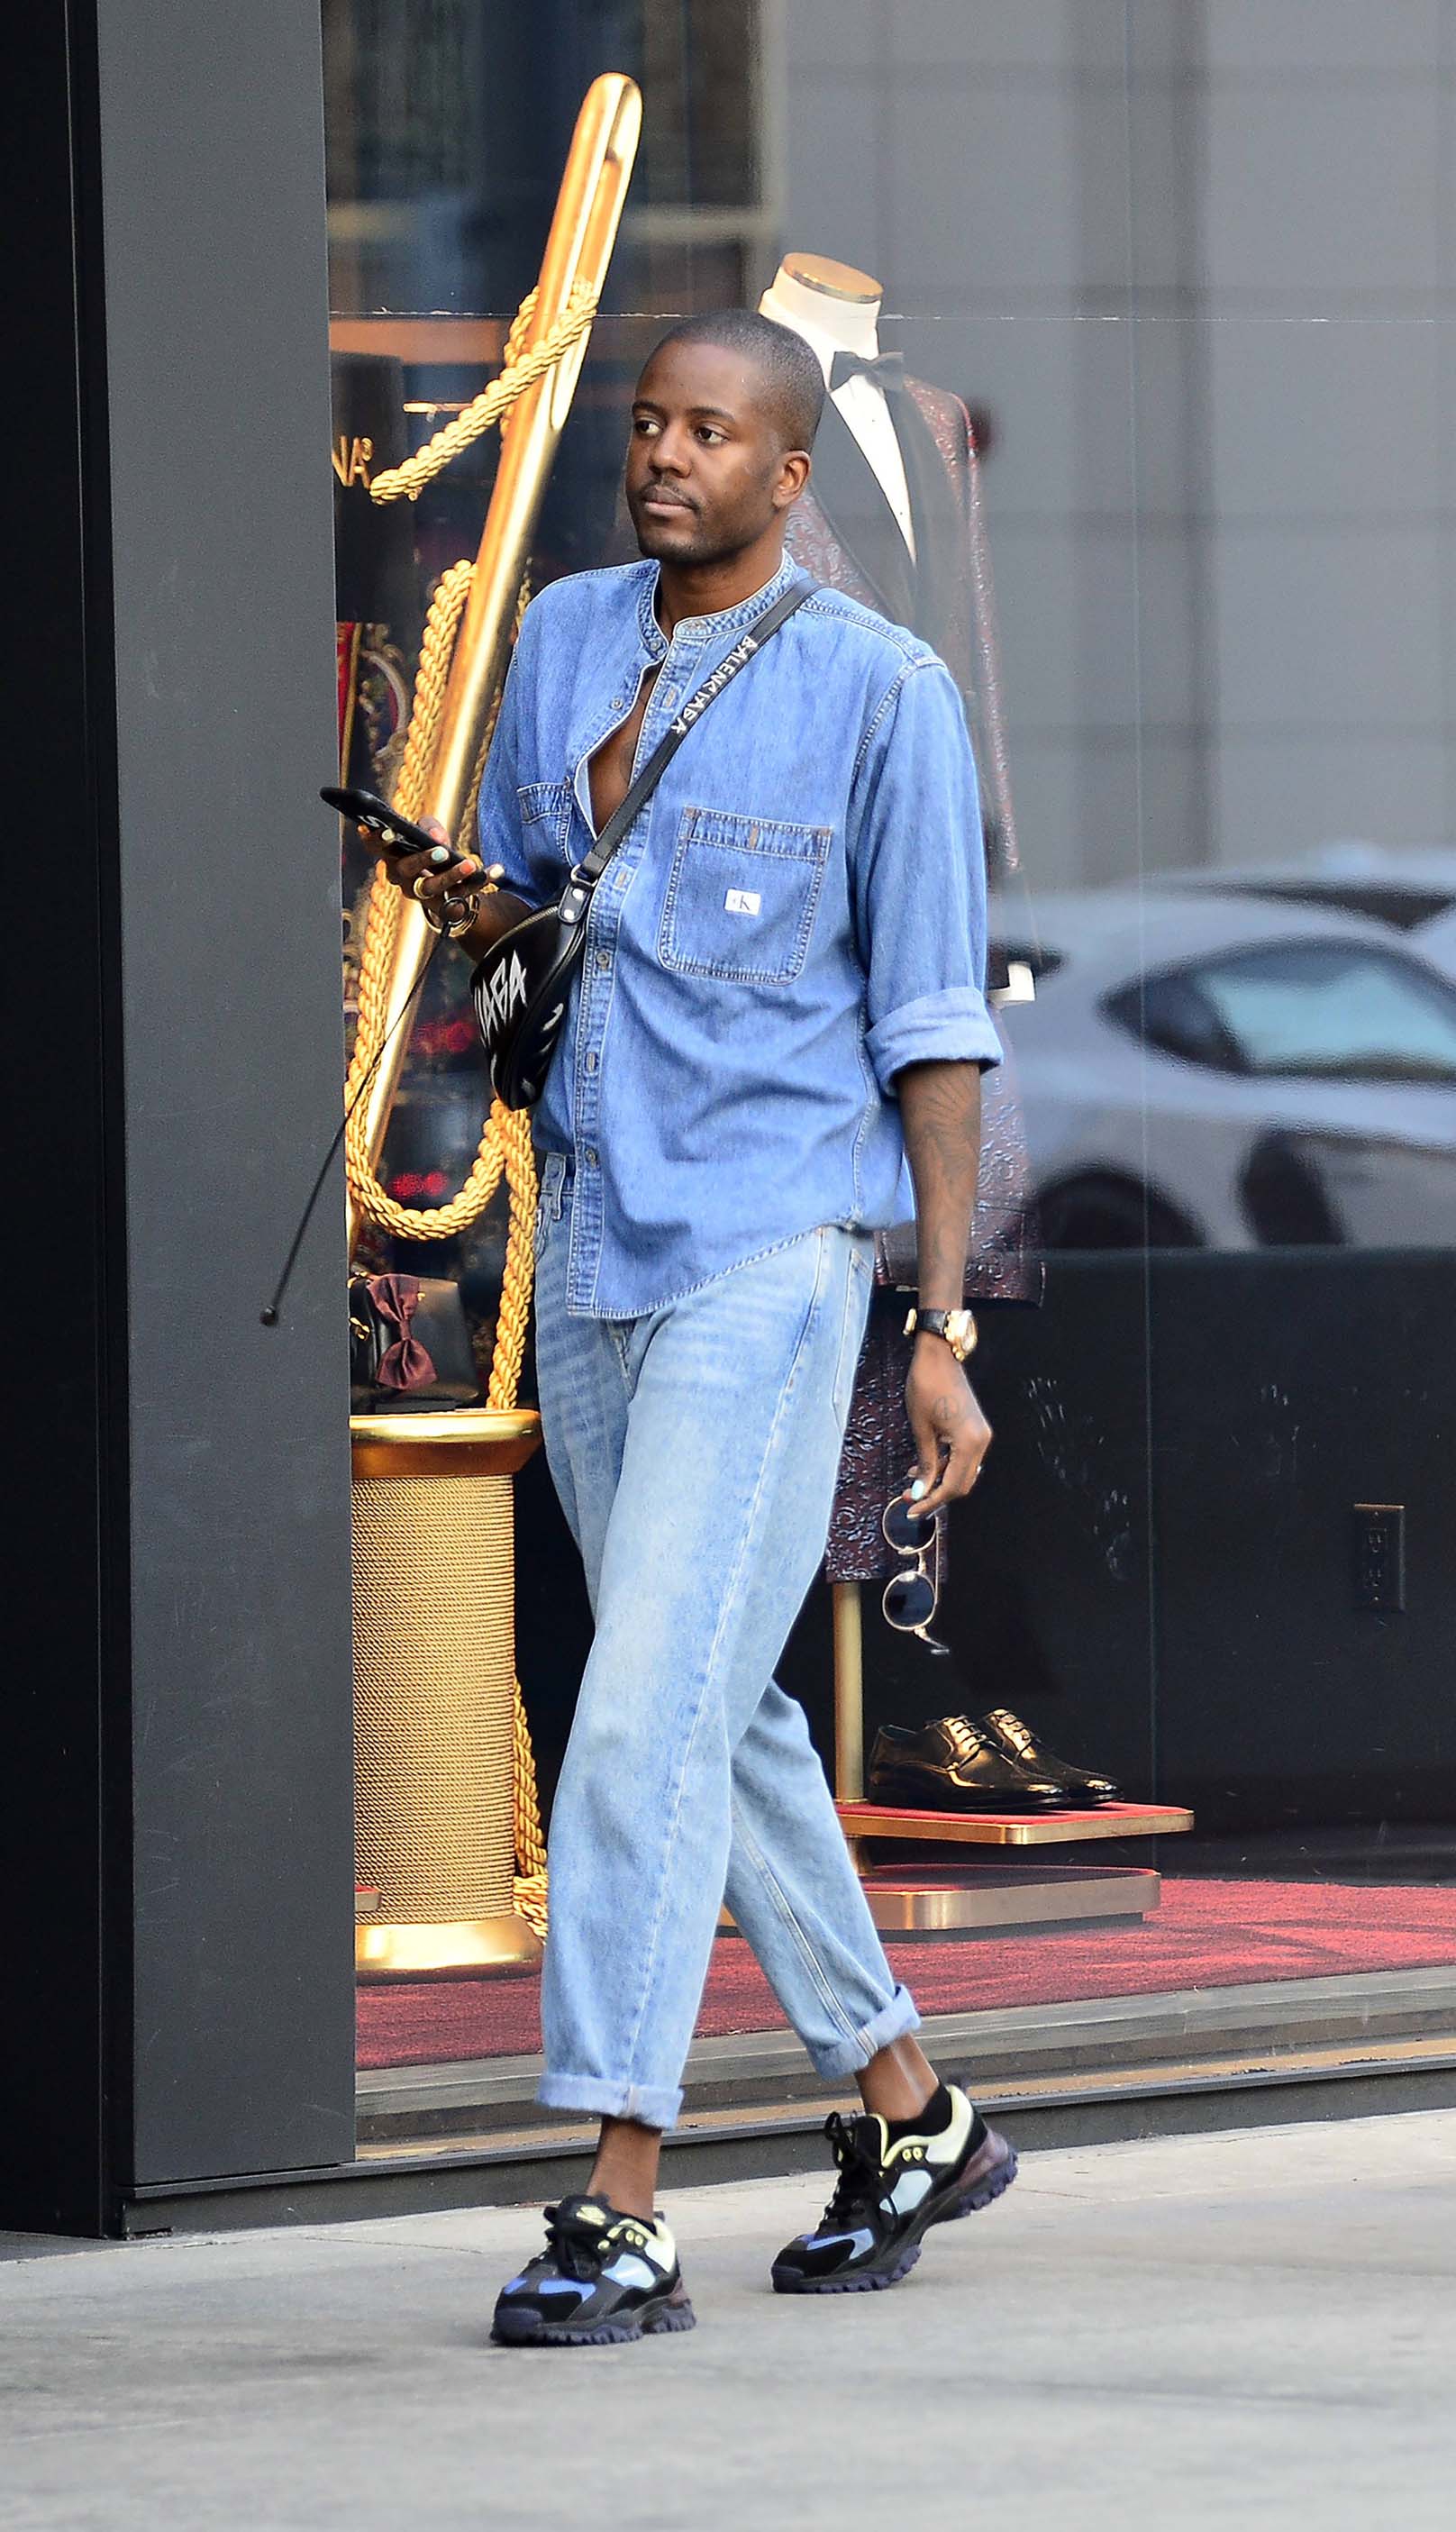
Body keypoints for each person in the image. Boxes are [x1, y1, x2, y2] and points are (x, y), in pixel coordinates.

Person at [366, 309, 1016, 2345]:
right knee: (720, 1706)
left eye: (709, 430)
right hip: (595, 1249)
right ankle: (909, 2111)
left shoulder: (880, 695)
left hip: (775, 1253)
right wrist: (486, 914)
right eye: (648, 423)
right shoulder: (563, 639)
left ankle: (617, 2194)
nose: (664, 455)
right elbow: (554, 913)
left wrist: (939, 1322)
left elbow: (932, 1032)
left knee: (637, 1707)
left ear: (787, 470)